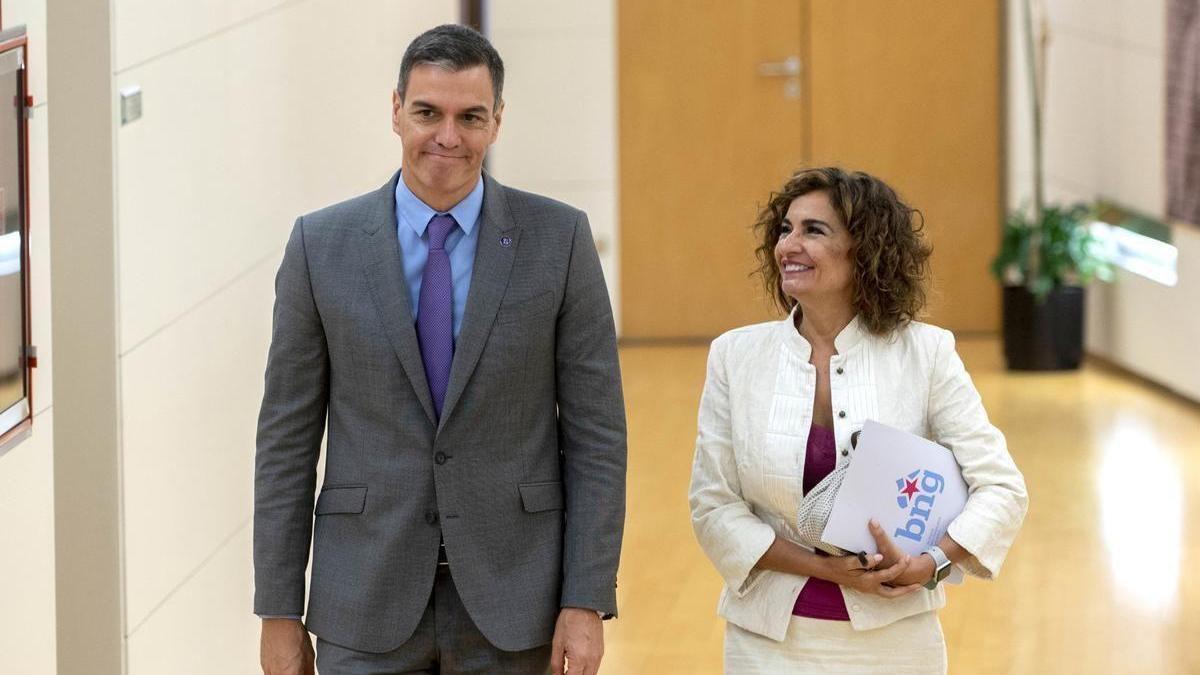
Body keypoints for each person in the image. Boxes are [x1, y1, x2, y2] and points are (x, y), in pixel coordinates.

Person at [253, 24, 626, 675]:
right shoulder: (320, 246)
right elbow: (285, 440)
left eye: (470, 116)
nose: (448, 136)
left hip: (517, 605)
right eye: (428, 112)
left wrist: (586, 599)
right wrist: (279, 611)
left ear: (497, 121)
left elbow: (597, 437)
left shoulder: (560, 241)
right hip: (362, 604)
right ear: (396, 109)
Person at [688, 167, 1028, 673]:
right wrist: (824, 568)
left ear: (864, 250)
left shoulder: (926, 352)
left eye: (813, 230)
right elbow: (713, 506)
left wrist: (929, 563)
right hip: (766, 642)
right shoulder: (734, 356)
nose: (789, 245)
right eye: (785, 229)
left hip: (897, 640)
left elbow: (1002, 488)